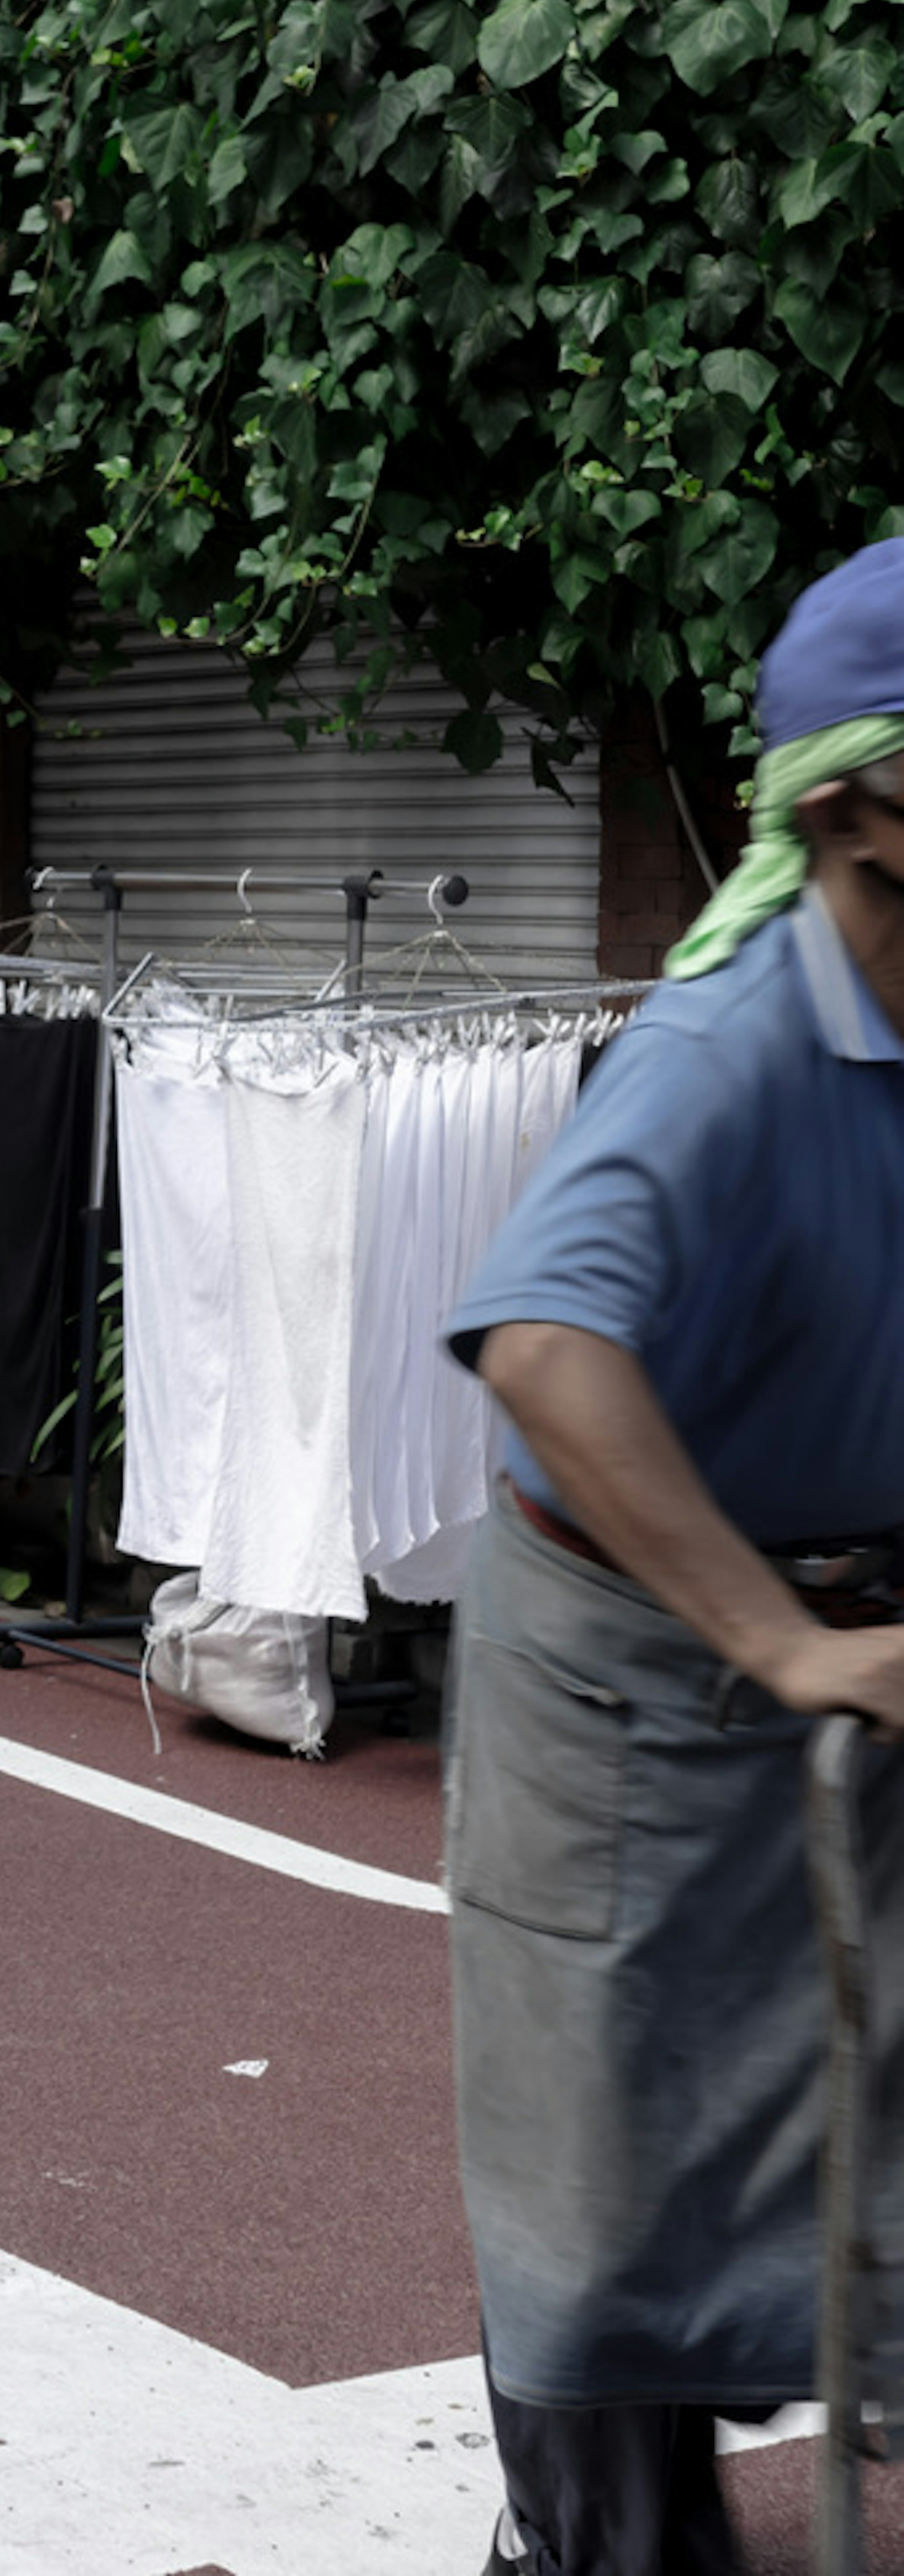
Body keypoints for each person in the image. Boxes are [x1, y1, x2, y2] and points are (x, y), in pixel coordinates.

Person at [443, 535, 904, 2574]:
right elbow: (545, 1343)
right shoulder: (731, 1053)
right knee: (607, 2189)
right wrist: (777, 1643)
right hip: (628, 1671)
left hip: (853, 1612)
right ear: (855, 816)